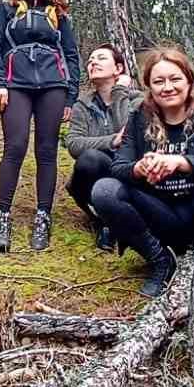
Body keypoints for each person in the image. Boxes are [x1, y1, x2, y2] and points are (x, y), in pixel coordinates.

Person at [91, 47, 194, 300]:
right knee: (104, 190)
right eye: (158, 81)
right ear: (150, 88)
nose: (167, 87)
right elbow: (118, 166)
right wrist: (139, 168)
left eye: (175, 79)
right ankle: (161, 261)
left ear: (189, 81)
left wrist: (180, 162)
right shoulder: (139, 120)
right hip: (162, 215)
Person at [0, 0, 81, 253]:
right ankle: (2, 218)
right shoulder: (5, 10)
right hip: (15, 85)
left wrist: (71, 96)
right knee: (15, 146)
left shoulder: (59, 16)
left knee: (47, 151)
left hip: (53, 86)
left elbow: (71, 56)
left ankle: (43, 217)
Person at [63, 43, 142, 251]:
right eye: (90, 60)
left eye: (100, 58)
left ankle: (123, 220)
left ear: (118, 69)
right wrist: (112, 140)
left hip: (129, 176)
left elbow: (130, 137)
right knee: (90, 159)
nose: (93, 62)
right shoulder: (82, 104)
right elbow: (73, 144)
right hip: (92, 178)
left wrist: (119, 92)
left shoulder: (138, 100)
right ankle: (103, 222)